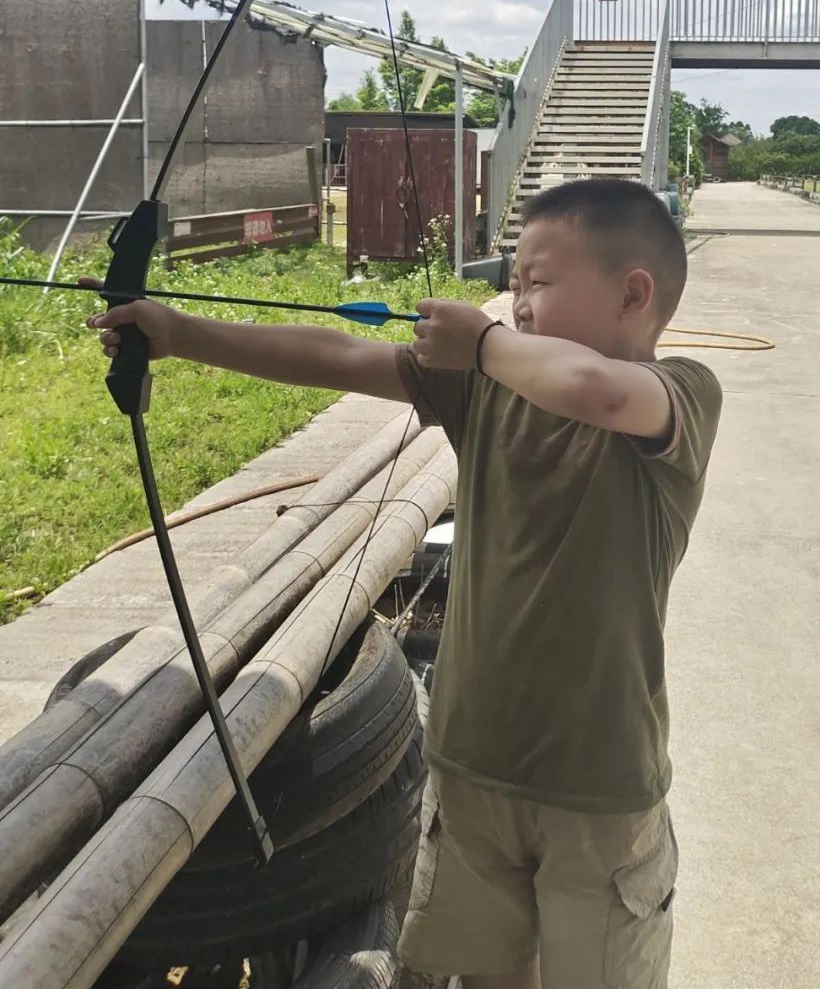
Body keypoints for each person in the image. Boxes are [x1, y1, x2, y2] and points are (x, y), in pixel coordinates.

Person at [89, 177, 722, 989]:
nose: (515, 301)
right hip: (470, 762)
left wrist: (486, 343)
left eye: (538, 282)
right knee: (484, 972)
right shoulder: (485, 389)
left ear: (635, 294)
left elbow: (593, 389)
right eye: (513, 284)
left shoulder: (681, 396)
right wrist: (181, 333)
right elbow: (337, 357)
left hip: (597, 784)